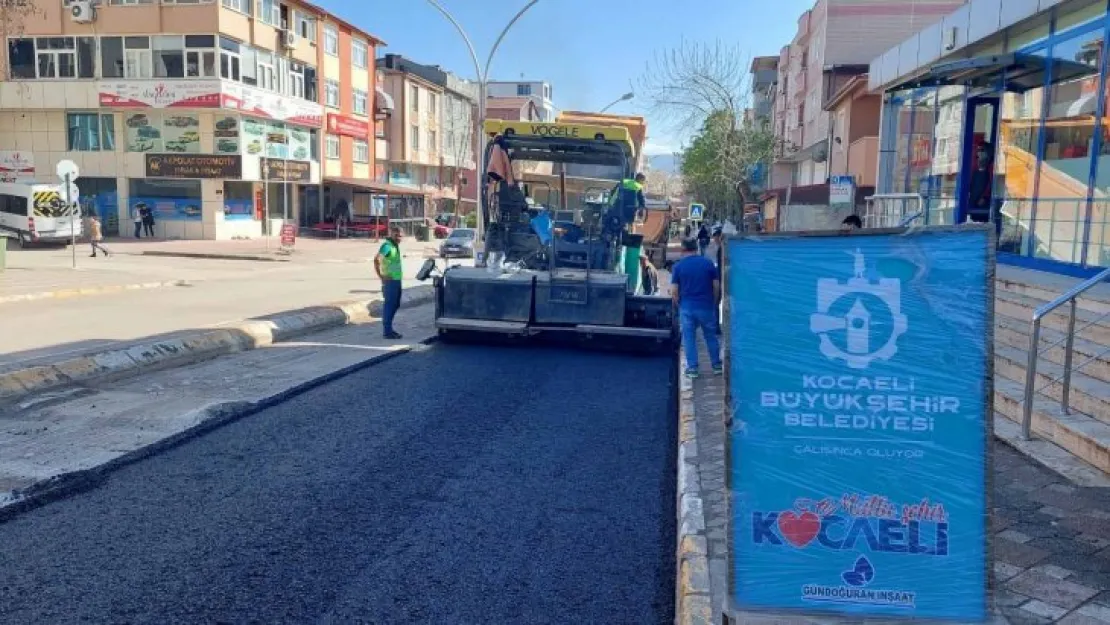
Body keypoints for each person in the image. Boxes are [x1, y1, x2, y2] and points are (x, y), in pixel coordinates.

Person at [671, 238, 722, 378]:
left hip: (687, 308)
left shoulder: (678, 266)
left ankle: (693, 369)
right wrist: (714, 302)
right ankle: (717, 365)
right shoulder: (708, 263)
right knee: (711, 336)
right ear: (696, 248)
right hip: (706, 306)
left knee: (689, 338)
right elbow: (716, 286)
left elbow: (674, 291)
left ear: (682, 249)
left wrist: (678, 304)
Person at [374, 226, 405, 340]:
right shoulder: (387, 246)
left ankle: (389, 329)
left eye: (400, 236)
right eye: (396, 235)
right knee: (390, 305)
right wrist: (381, 276)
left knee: (396, 304)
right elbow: (377, 259)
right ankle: (387, 331)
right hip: (390, 281)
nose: (398, 238)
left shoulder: (395, 246)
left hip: (396, 280)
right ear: (391, 234)